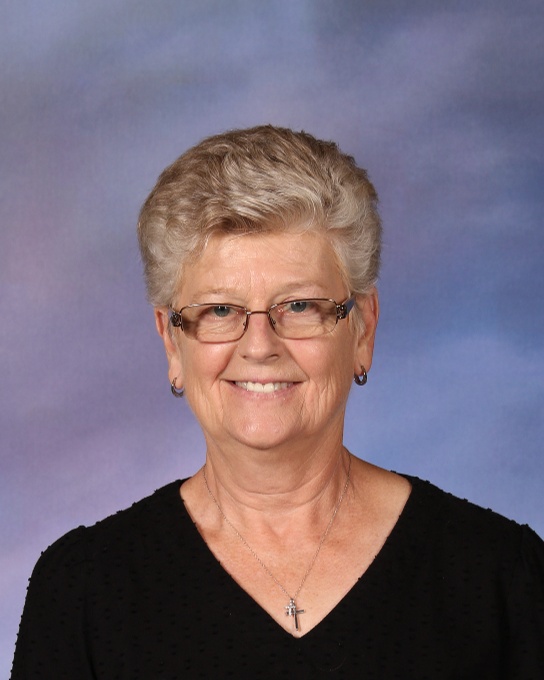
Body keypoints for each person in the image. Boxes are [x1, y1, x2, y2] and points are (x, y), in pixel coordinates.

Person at [11, 125, 544, 679]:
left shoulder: (500, 576)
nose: (260, 346)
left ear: (362, 328)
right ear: (172, 341)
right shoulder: (84, 592)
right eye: (220, 311)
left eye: (300, 306)